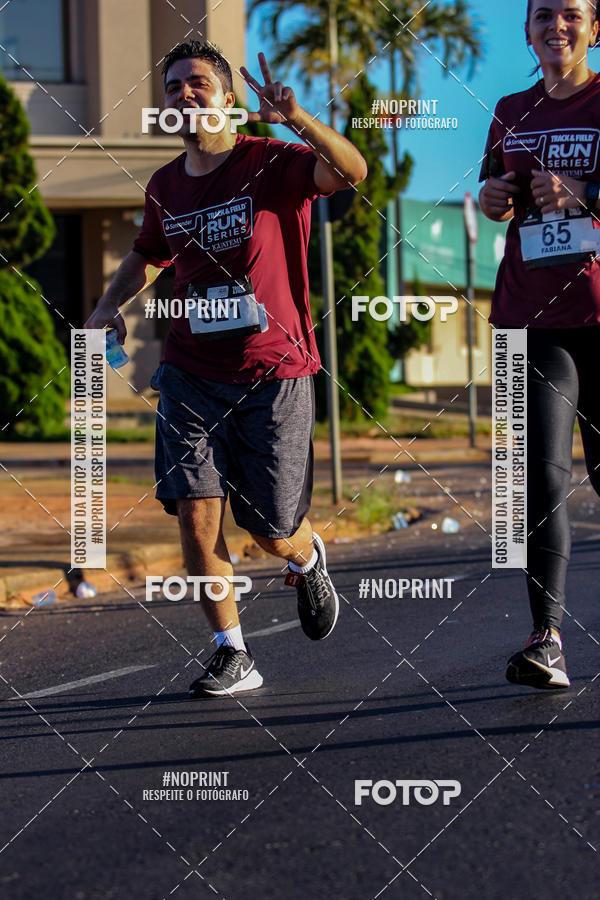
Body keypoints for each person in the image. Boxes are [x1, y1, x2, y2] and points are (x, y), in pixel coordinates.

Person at [84, 41, 367, 697]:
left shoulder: (271, 161)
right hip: (189, 373)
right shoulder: (165, 185)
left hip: (274, 370)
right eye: (173, 86)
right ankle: (231, 652)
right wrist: (106, 305)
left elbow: (351, 171)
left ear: (228, 98)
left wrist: (297, 119)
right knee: (195, 513)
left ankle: (306, 555)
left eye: (198, 83)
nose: (184, 94)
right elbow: (147, 254)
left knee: (270, 531)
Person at [479, 0, 600, 689]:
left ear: (595, 28)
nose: (558, 26)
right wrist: (492, 196)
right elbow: (493, 190)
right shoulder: (509, 109)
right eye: (544, 15)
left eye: (573, 14)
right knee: (541, 479)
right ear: (527, 31)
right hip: (534, 316)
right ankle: (546, 639)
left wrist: (586, 191)